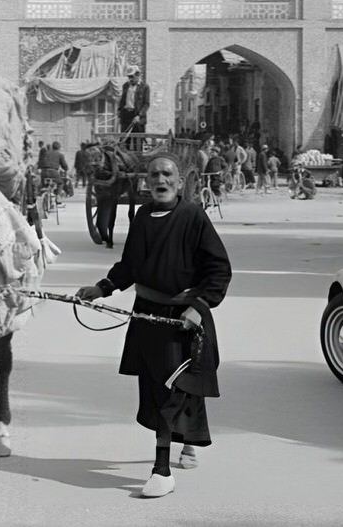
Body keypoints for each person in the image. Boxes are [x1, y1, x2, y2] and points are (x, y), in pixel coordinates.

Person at [75, 153, 232, 499]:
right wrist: (101, 288)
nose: (160, 181)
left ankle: (161, 470)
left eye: (167, 174)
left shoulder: (193, 216)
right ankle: (184, 442)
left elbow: (219, 269)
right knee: (157, 390)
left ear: (179, 181)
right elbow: (130, 265)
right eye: (154, 175)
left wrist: (200, 306)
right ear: (145, 181)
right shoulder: (144, 216)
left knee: (175, 390)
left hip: (182, 319)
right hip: (147, 316)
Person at [118, 67, 151, 136]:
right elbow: (122, 101)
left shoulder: (145, 87)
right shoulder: (125, 86)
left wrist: (139, 115)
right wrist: (119, 111)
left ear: (138, 75)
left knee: (138, 141)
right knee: (125, 140)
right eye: (129, 77)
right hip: (126, 116)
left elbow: (146, 104)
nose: (130, 79)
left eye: (132, 77)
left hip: (137, 117)